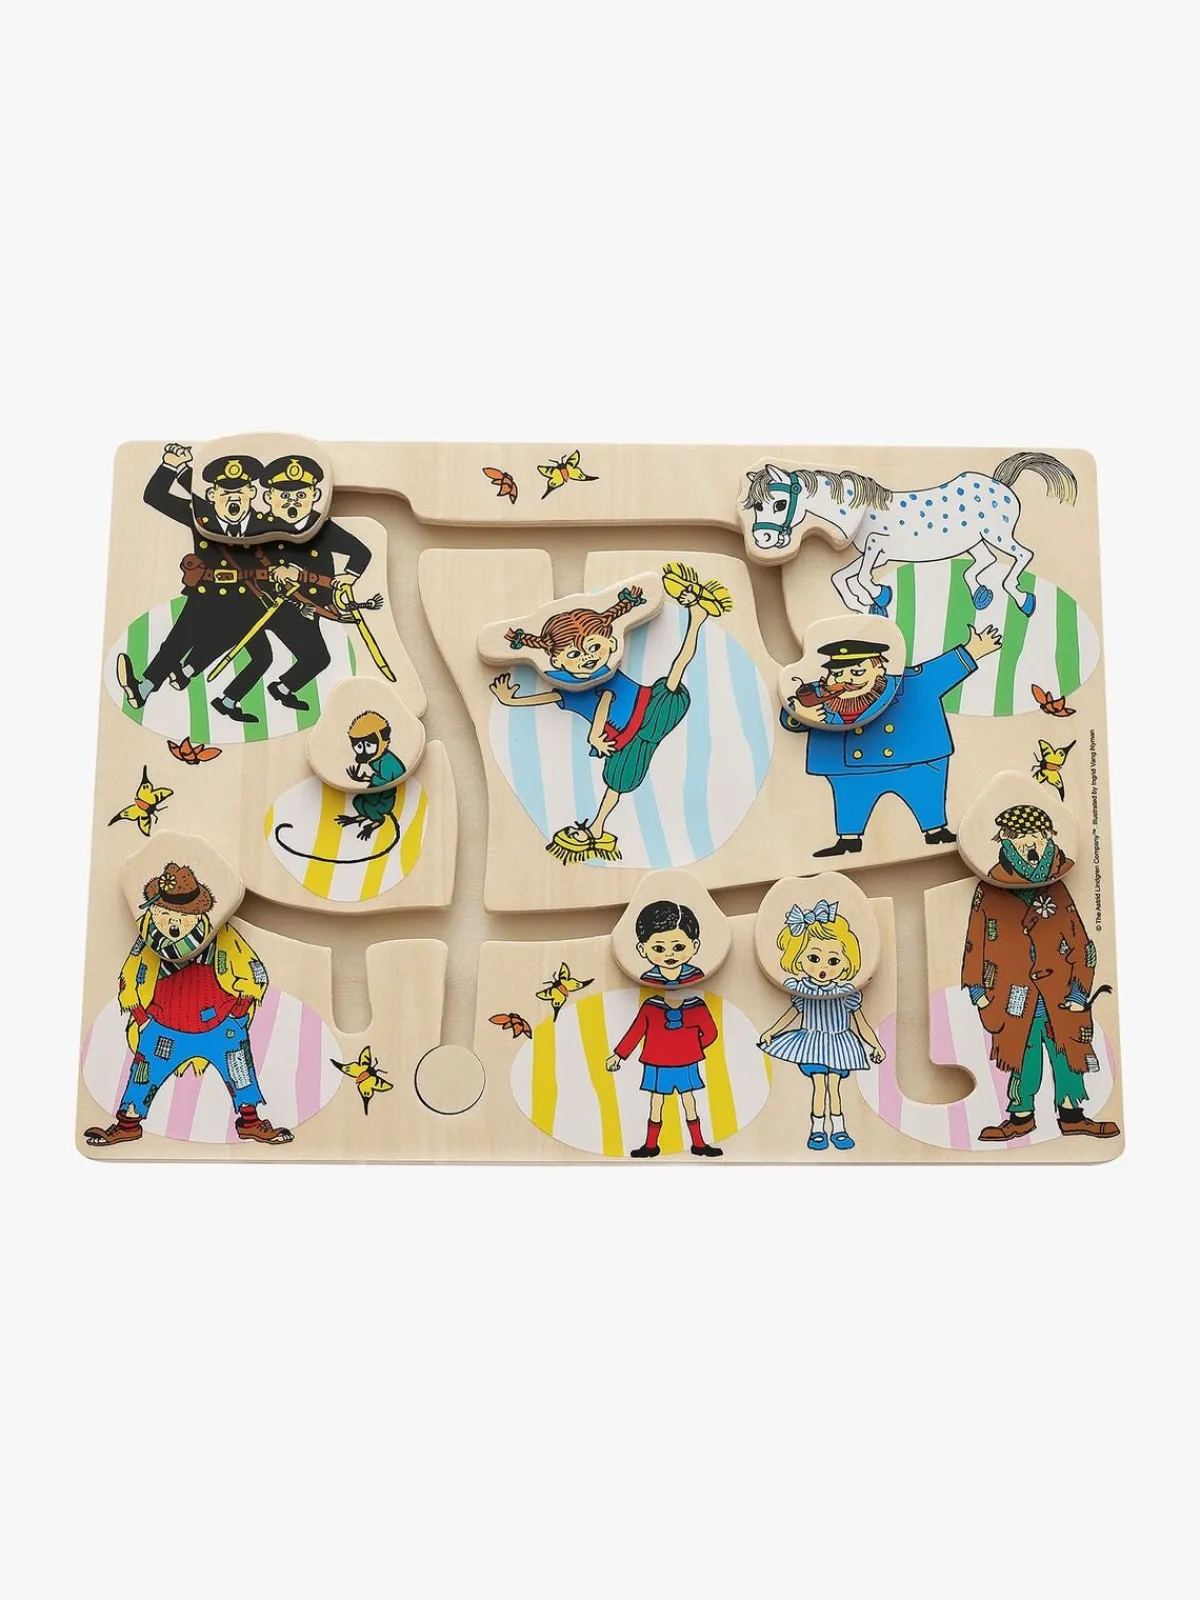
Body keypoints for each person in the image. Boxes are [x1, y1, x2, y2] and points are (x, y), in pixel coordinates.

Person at [489, 572, 721, 862]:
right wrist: (512, 700)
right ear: (557, 661)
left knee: (676, 671)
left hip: (649, 707)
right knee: (617, 783)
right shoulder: (571, 688)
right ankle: (597, 827)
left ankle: (696, 619)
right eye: (574, 655)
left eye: (594, 647)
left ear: (610, 644)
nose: (587, 657)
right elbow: (551, 698)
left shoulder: (604, 675)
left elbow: (607, 700)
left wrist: (595, 734)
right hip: (626, 741)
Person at [84, 863, 293, 1147]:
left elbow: (253, 970)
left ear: (198, 915)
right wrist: (141, 1017)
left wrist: (239, 1011)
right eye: (165, 915)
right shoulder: (146, 944)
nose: (173, 924)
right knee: (144, 1074)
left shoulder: (222, 936)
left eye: (182, 917)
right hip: (164, 1027)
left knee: (240, 1070)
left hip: (220, 1025)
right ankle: (128, 1124)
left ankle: (250, 1122)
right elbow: (129, 978)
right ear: (153, 912)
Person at [962, 804, 1119, 1142]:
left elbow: (1080, 943)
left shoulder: (1056, 887)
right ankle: (1021, 1116)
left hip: (1060, 995)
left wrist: (1079, 991)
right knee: (1022, 1056)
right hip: (1012, 995)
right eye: (1020, 836)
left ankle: (1072, 1115)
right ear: (1005, 840)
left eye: (1035, 834)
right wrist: (978, 991)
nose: (1029, 842)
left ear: (1047, 838)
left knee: (1068, 1054)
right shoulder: (989, 888)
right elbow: (975, 941)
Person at [781, 626, 1003, 855]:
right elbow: (790, 710)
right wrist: (800, 713)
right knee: (850, 801)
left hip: (913, 760)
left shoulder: (910, 683)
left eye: (857, 672)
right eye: (837, 674)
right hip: (849, 770)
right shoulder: (816, 695)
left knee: (925, 794)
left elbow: (939, 672)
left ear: (879, 668)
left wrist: (973, 649)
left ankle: (935, 831)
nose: (846, 680)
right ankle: (848, 840)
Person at [117, 446, 274, 723]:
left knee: (260, 654)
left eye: (239, 492)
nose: (233, 500)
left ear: (252, 492)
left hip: (246, 601)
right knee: (178, 641)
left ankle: (188, 674)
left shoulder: (268, 524)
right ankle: (144, 689)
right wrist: (170, 465)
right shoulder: (200, 515)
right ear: (212, 496)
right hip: (207, 594)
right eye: (224, 494)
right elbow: (154, 496)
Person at [757, 900, 884, 1152]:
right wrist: (772, 1031)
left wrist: (876, 1045)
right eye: (814, 958)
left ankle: (838, 1129)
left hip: (839, 1044)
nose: (823, 967)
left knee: (833, 1088)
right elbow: (790, 1015)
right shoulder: (803, 992)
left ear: (847, 963)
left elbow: (861, 1024)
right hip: (812, 1044)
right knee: (819, 1087)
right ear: (798, 958)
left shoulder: (848, 993)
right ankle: (817, 1130)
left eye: (833, 960)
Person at [253, 454, 373, 712]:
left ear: (315, 495)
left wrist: (349, 576)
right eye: (284, 496)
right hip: (273, 604)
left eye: (300, 495)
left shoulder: (324, 529)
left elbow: (361, 552)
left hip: (310, 608)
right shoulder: (258, 527)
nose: (292, 502)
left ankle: (281, 688)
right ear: (268, 497)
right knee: (275, 656)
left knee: (317, 658)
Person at [605, 901, 723, 1157]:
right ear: (642, 949)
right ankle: (651, 1145)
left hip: (685, 1062)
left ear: (695, 946)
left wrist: (691, 1047)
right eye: (659, 948)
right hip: (657, 1062)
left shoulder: (697, 994)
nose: (669, 954)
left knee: (689, 1101)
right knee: (656, 1103)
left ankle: (698, 1143)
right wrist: (618, 1055)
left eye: (678, 947)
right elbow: (636, 1032)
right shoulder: (648, 994)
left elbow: (711, 1033)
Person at [336, 710, 407, 840]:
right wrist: (361, 779)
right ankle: (359, 818)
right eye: (358, 746)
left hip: (385, 798)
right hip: (376, 791)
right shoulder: (376, 759)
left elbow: (395, 774)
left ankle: (376, 822)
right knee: (358, 801)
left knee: (371, 806)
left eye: (368, 745)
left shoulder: (387, 760)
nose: (363, 751)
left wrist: (365, 778)